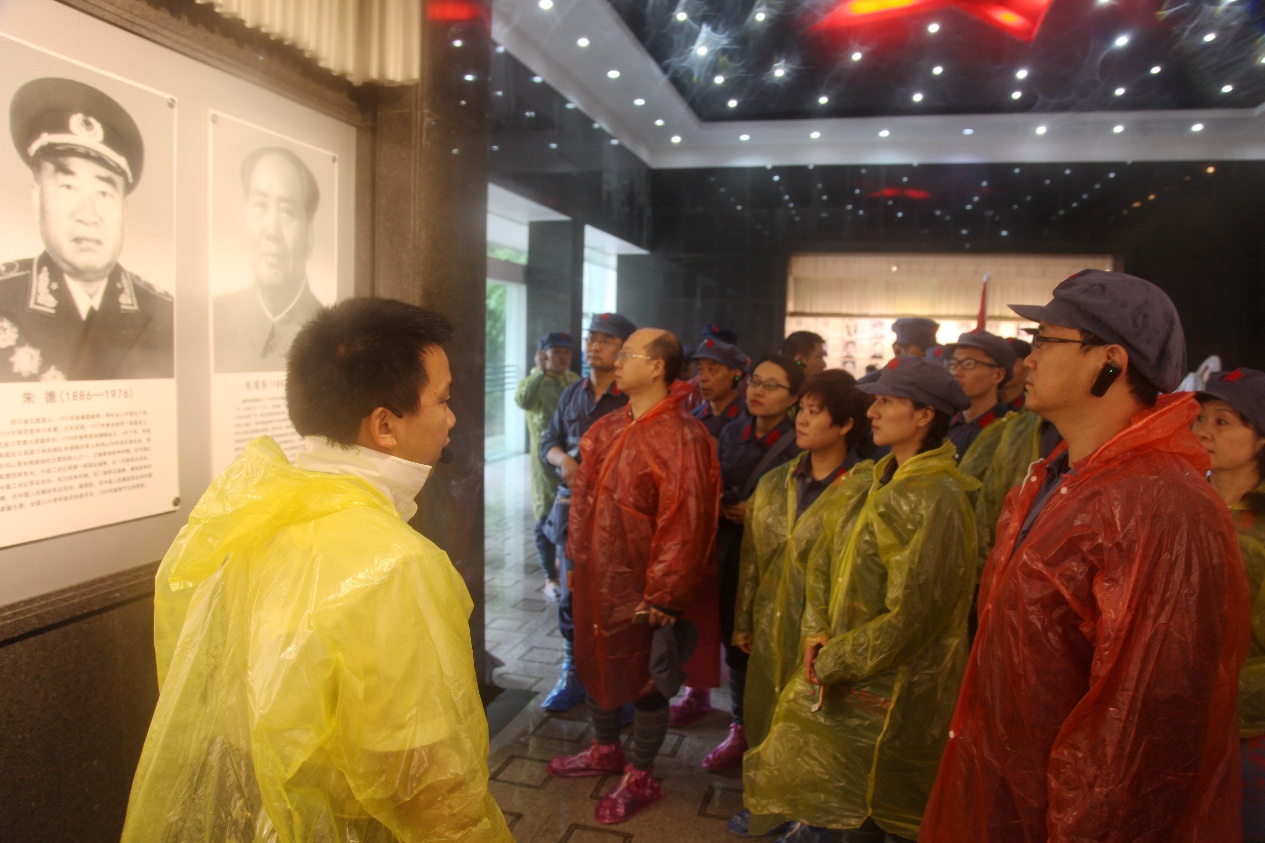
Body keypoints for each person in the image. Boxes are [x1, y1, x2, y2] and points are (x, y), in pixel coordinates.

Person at [121, 298, 511, 841]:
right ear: (385, 425)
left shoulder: (255, 519)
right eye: (443, 400)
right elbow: (426, 787)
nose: (451, 417)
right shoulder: (397, 566)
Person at [922, 269, 1250, 842]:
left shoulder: (1159, 504)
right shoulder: (1057, 479)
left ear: (1111, 362)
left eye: (1045, 341)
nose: (1028, 360)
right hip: (1007, 795)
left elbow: (1140, 732)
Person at [743, 355, 978, 843]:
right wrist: (817, 631)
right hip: (843, 669)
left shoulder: (938, 498)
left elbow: (914, 617)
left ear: (924, 415)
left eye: (887, 401)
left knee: (872, 805)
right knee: (838, 795)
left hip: (889, 686)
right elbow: (822, 561)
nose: (873, 411)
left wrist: (833, 660)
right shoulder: (871, 480)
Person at [547, 328, 721, 824]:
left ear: (658, 366)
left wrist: (666, 593)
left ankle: (641, 774)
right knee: (596, 658)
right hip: (597, 577)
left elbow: (686, 521)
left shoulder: (683, 435)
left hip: (645, 585)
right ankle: (605, 749)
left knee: (647, 678)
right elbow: (582, 502)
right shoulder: (606, 428)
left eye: (628, 354)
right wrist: (576, 561)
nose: (617, 361)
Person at [728, 370, 875, 837]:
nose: (803, 420)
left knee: (817, 720)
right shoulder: (777, 481)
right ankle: (768, 803)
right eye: (802, 410)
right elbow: (752, 557)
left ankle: (808, 814)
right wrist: (744, 619)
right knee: (766, 710)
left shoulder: (864, 489)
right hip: (770, 620)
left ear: (845, 424)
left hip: (825, 630)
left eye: (815, 412)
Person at [676, 355, 806, 771]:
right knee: (733, 639)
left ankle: (774, 730)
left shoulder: (799, 442)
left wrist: (760, 512)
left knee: (765, 643)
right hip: (728, 550)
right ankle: (740, 727)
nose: (758, 391)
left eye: (772, 385)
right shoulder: (733, 431)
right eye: (755, 381)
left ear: (794, 398)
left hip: (773, 561)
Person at [1, 76, 172, 382]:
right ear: (38, 198)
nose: (88, 215)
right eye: (68, 187)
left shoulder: (166, 313)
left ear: (124, 210)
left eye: (104, 193)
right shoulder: (5, 297)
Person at [538, 311, 635, 711]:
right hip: (572, 510)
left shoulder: (632, 398)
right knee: (572, 595)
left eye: (605, 340)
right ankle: (572, 673)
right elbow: (548, 441)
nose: (594, 345)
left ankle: (621, 682)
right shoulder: (572, 393)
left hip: (619, 514)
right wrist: (563, 460)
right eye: (591, 337)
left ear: (624, 351)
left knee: (617, 597)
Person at [1192, 368, 1265, 842]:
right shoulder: (1179, 502)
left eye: (1223, 421)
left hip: (1247, 731)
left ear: (1260, 439)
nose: (1203, 432)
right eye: (1200, 418)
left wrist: (1218, 694)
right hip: (1174, 718)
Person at [213, 147, 325, 372]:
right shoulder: (212, 321)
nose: (272, 231)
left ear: (309, 235)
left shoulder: (335, 336)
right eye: (260, 206)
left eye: (287, 212)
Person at [514, 331, 579, 600]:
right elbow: (523, 401)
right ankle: (550, 578)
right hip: (544, 461)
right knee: (544, 515)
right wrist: (540, 372)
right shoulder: (534, 381)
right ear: (543, 355)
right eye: (556, 352)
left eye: (567, 352)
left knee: (569, 513)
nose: (562, 357)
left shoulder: (574, 381)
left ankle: (563, 566)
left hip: (572, 457)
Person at [946, 331, 1015, 460]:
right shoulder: (942, 425)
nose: (956, 372)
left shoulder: (1010, 431)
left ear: (998, 375)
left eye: (968, 364)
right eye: (953, 363)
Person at [692, 337, 749, 439]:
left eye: (712, 370)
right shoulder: (693, 418)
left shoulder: (748, 420)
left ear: (736, 373)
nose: (702, 378)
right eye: (700, 370)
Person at [1000, 337, 1031, 410]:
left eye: (1010, 362)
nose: (1002, 368)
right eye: (998, 360)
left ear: (1028, 370)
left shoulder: (1034, 411)